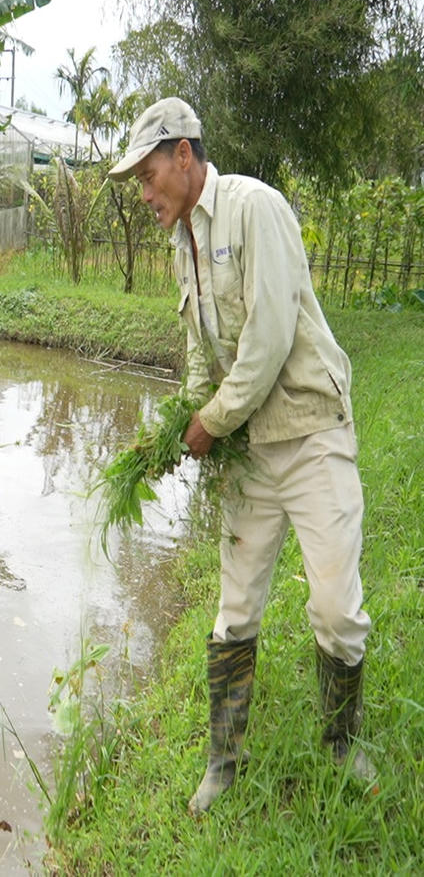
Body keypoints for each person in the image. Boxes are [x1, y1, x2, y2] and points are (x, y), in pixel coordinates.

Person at [107, 97, 375, 816]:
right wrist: (182, 419)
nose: (144, 193)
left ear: (183, 156)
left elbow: (268, 341)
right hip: (250, 451)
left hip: (310, 433)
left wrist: (209, 422)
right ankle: (223, 760)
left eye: (148, 176)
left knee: (335, 608)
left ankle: (342, 743)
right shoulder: (183, 242)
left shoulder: (256, 210)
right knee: (235, 609)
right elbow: (203, 351)